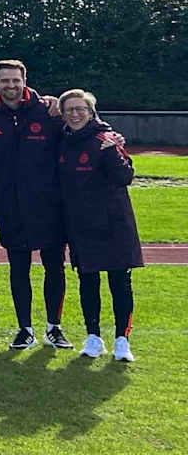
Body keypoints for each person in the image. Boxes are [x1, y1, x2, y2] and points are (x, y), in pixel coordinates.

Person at [0, 60, 72, 350]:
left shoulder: (48, 111)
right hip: (10, 205)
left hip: (49, 205)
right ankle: (25, 328)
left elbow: (82, 125)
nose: (11, 86)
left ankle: (54, 328)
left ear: (25, 80)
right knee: (19, 269)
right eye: (5, 81)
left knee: (54, 268)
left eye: (16, 80)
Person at [58, 89, 142, 362]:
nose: (75, 113)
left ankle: (122, 340)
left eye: (80, 109)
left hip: (114, 222)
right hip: (81, 224)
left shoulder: (106, 139)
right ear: (63, 114)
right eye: (69, 109)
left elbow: (125, 176)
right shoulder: (61, 140)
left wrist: (113, 152)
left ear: (91, 112)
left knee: (120, 282)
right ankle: (93, 337)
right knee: (88, 281)